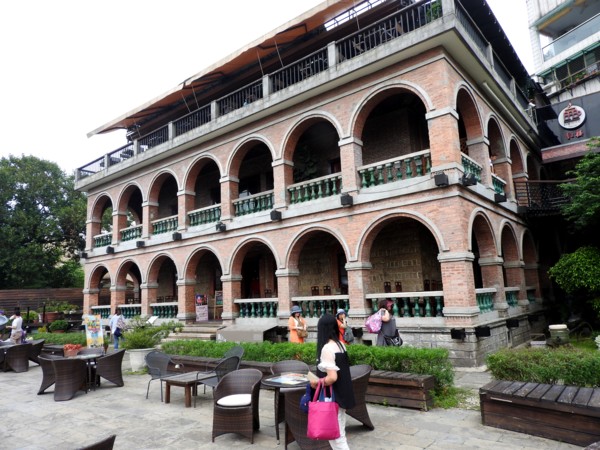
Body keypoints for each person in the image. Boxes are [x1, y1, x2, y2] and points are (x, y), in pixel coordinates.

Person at [311, 313, 355, 450]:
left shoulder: (327, 348)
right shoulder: (341, 345)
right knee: (337, 434)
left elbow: (332, 377)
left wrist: (317, 382)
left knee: (337, 437)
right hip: (342, 395)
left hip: (334, 398)